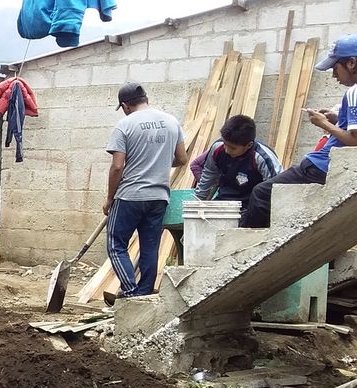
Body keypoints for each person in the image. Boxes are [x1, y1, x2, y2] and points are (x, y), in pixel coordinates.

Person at [247, 35, 357, 229]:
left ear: (351, 63)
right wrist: (337, 119)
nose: (334, 75)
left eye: (335, 68)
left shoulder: (356, 92)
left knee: (261, 193)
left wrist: (324, 124)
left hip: (325, 167)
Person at [103, 82, 187, 305]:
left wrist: (110, 198)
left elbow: (117, 167)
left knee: (115, 243)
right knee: (150, 246)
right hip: (159, 196)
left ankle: (130, 292)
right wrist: (156, 162)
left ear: (125, 105)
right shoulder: (171, 122)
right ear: (145, 99)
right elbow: (182, 159)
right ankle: (145, 293)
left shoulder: (125, 125)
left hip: (130, 195)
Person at [194, 115, 283, 216]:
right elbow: (209, 175)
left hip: (252, 207)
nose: (227, 150)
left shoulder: (263, 157)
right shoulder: (217, 148)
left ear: (249, 145)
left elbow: (277, 189)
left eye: (232, 148)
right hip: (224, 202)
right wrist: (198, 203)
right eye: (225, 144)